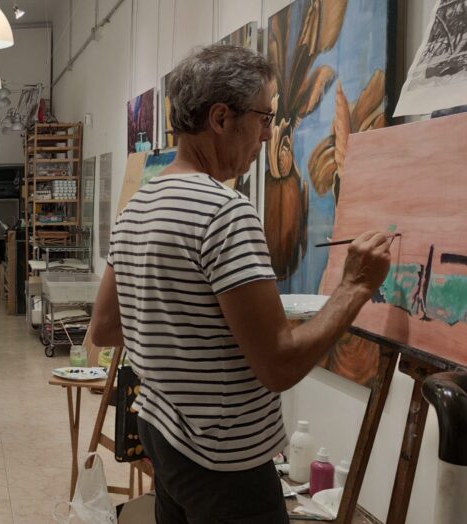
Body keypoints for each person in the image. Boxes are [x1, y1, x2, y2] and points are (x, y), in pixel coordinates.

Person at [89, 44, 391, 523]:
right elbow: (278, 365)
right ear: (221, 118)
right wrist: (354, 286)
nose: (268, 134)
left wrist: (183, 333)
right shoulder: (224, 213)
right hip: (223, 459)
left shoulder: (137, 209)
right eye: (264, 117)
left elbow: (105, 328)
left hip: (163, 434)